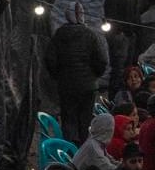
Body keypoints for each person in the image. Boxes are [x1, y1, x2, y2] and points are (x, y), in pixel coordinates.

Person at [43, 13, 107, 145]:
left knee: (69, 117)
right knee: (85, 119)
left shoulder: (59, 35)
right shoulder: (91, 35)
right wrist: (94, 76)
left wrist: (57, 75)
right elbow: (102, 60)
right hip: (88, 86)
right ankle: (84, 150)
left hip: (66, 85)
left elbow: (50, 58)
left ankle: (69, 150)